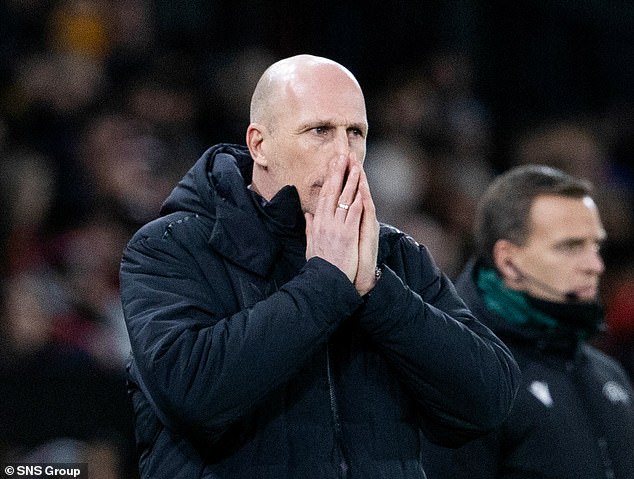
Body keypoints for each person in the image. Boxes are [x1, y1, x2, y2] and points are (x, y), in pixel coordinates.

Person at [119, 54, 520, 479]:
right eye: (320, 131)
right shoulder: (171, 246)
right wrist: (328, 282)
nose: (344, 154)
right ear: (260, 144)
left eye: (356, 133)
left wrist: (377, 290)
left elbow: (488, 400)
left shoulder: (395, 255)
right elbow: (192, 394)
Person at [421, 164, 634, 478]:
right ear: (509, 261)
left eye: (596, 245)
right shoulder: (464, 377)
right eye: (570, 247)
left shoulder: (608, 373)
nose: (595, 265)